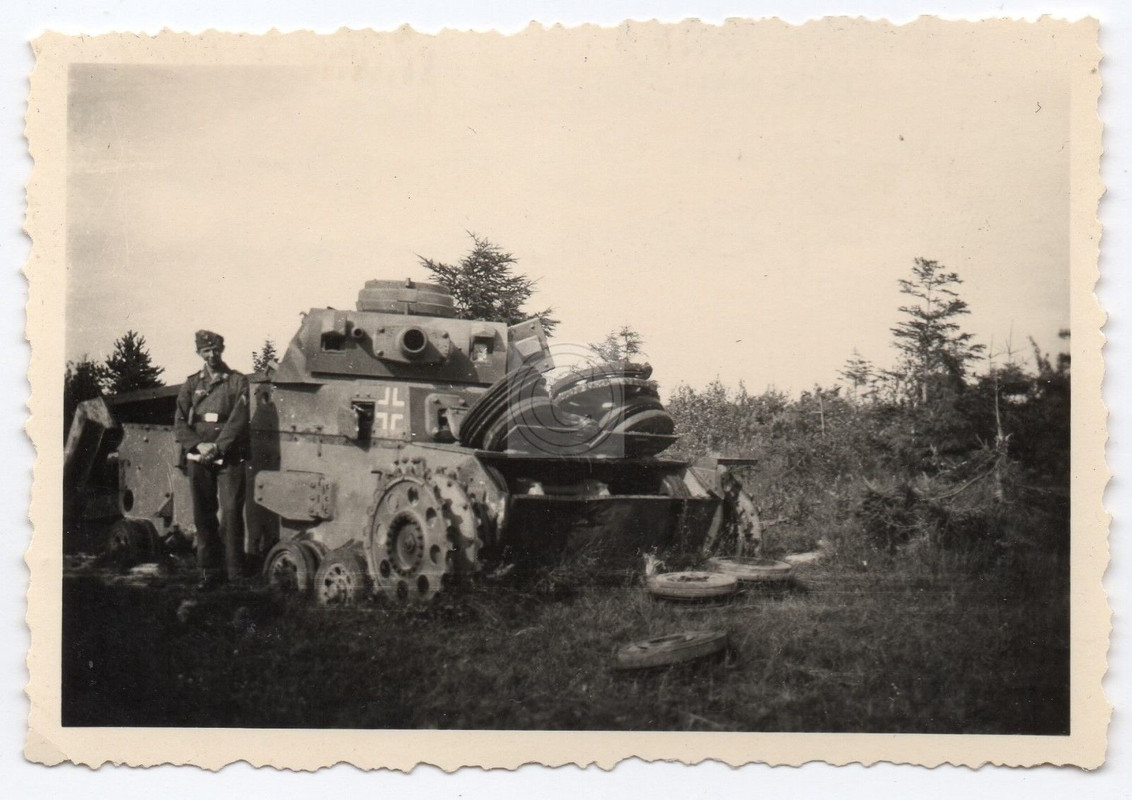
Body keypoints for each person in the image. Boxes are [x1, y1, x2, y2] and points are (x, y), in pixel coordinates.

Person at [174, 330, 250, 590]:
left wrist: (218, 448)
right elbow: (180, 422)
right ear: (199, 354)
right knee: (203, 514)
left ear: (222, 350)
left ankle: (235, 572)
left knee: (231, 512)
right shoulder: (192, 384)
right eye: (206, 351)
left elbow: (239, 418)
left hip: (229, 457)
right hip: (199, 456)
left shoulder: (238, 381)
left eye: (216, 350)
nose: (212, 355)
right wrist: (198, 445)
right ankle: (208, 571)